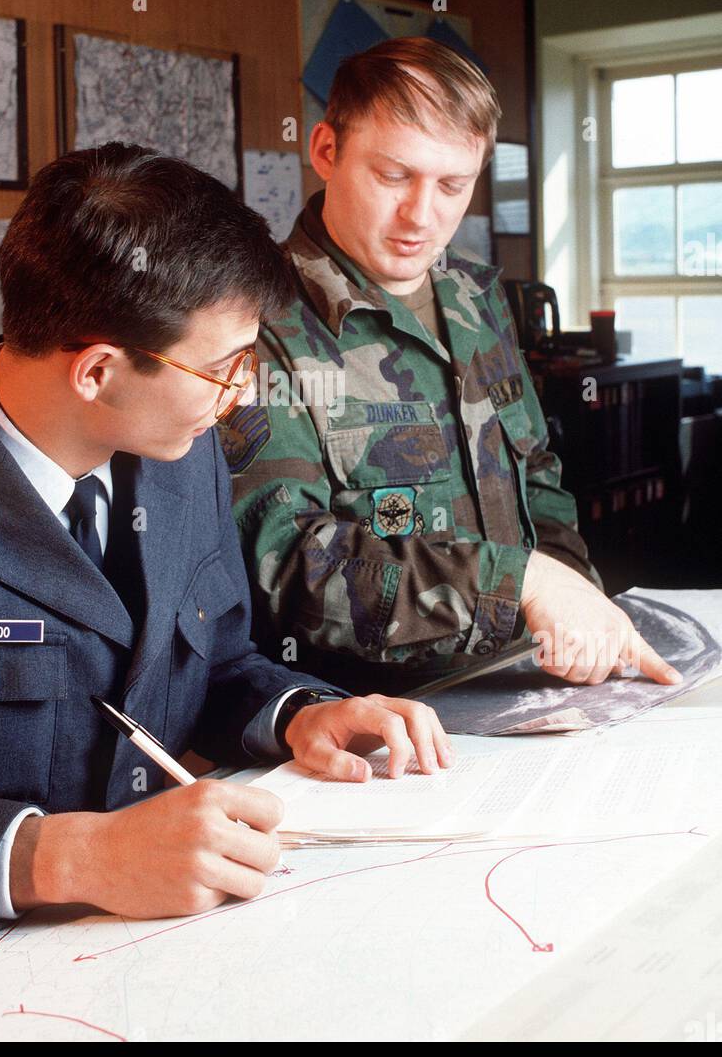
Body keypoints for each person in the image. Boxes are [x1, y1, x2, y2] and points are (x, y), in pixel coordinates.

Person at [0, 144, 454, 943]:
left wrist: (296, 714)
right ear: (98, 372)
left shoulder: (181, 448)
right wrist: (67, 857)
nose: (243, 394)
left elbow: (213, 659)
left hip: (160, 943)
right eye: (223, 367)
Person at [220, 38, 681, 695]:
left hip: (526, 678)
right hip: (367, 715)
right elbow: (291, 567)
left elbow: (537, 476)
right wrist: (518, 583)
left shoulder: (474, 293)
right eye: (393, 176)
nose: (422, 215)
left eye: (452, 185)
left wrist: (571, 606)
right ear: (325, 150)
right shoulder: (256, 320)